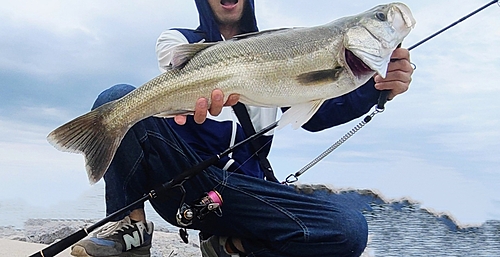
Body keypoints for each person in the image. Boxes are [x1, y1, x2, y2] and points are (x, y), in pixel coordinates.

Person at [70, 0, 413, 256]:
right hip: (182, 179)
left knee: (349, 230)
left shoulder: (283, 44)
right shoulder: (178, 39)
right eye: (380, 17)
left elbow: (318, 112)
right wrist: (192, 103)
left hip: (245, 193)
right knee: (116, 99)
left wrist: (376, 89)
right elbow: (179, 65)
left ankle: (233, 247)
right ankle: (131, 228)